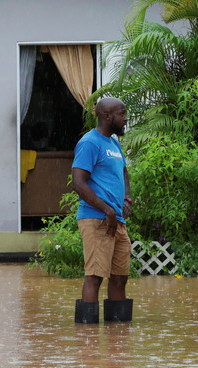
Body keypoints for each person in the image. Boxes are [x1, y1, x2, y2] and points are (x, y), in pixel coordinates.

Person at [71, 97, 133, 324]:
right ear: (108, 117)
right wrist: (106, 210)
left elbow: (124, 172)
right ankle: (88, 341)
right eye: (122, 114)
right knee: (95, 277)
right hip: (96, 219)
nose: (125, 119)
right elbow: (78, 183)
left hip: (116, 219)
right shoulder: (90, 143)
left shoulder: (114, 143)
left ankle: (118, 337)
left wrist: (127, 198)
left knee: (120, 277)